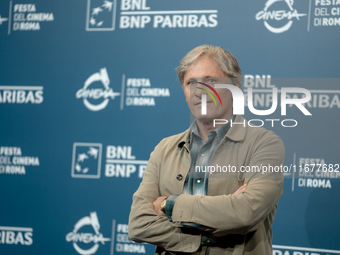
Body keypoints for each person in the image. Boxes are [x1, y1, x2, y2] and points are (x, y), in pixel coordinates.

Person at [128, 45, 284, 255]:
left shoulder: (264, 144)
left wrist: (169, 204)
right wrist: (207, 233)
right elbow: (138, 224)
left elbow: (245, 213)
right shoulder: (165, 148)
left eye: (211, 81)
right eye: (191, 82)